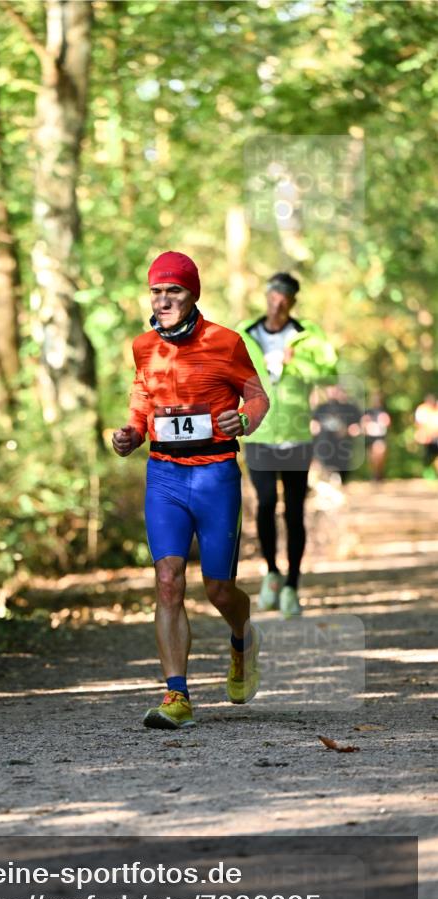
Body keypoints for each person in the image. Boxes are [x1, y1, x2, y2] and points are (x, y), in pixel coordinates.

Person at [112, 251, 269, 730]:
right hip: (165, 476)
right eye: (157, 291)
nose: (163, 300)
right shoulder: (144, 347)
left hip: (215, 475)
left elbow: (257, 395)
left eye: (173, 291)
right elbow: (142, 402)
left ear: (192, 293)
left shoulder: (226, 342)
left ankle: (243, 640)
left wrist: (242, 420)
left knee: (219, 589)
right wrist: (131, 434)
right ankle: (176, 695)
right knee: (167, 582)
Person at [237, 273, 338, 617]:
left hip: (296, 434)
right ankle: (273, 574)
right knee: (265, 504)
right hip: (259, 432)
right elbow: (228, 371)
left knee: (293, 511)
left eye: (286, 296)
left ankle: (293, 585)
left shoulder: (307, 334)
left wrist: (298, 361)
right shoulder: (245, 333)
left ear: (293, 301)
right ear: (266, 296)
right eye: (274, 294)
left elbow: (330, 373)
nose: (279, 301)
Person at [311, 384, 363, 485]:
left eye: (335, 389)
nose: (333, 392)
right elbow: (313, 425)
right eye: (330, 389)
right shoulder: (321, 408)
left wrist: (347, 430)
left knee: (342, 478)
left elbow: (359, 426)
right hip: (324, 449)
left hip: (343, 450)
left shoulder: (351, 408)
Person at [362, 391, 391, 482]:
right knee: (372, 458)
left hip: (380, 438)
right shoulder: (368, 411)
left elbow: (388, 423)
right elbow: (363, 423)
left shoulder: (383, 411)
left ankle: (379, 474)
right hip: (370, 438)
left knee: (380, 455)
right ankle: (375, 474)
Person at [414, 392, 438, 479]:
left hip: (436, 436)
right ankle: (429, 475)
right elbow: (419, 424)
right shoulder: (422, 409)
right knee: (428, 456)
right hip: (427, 437)